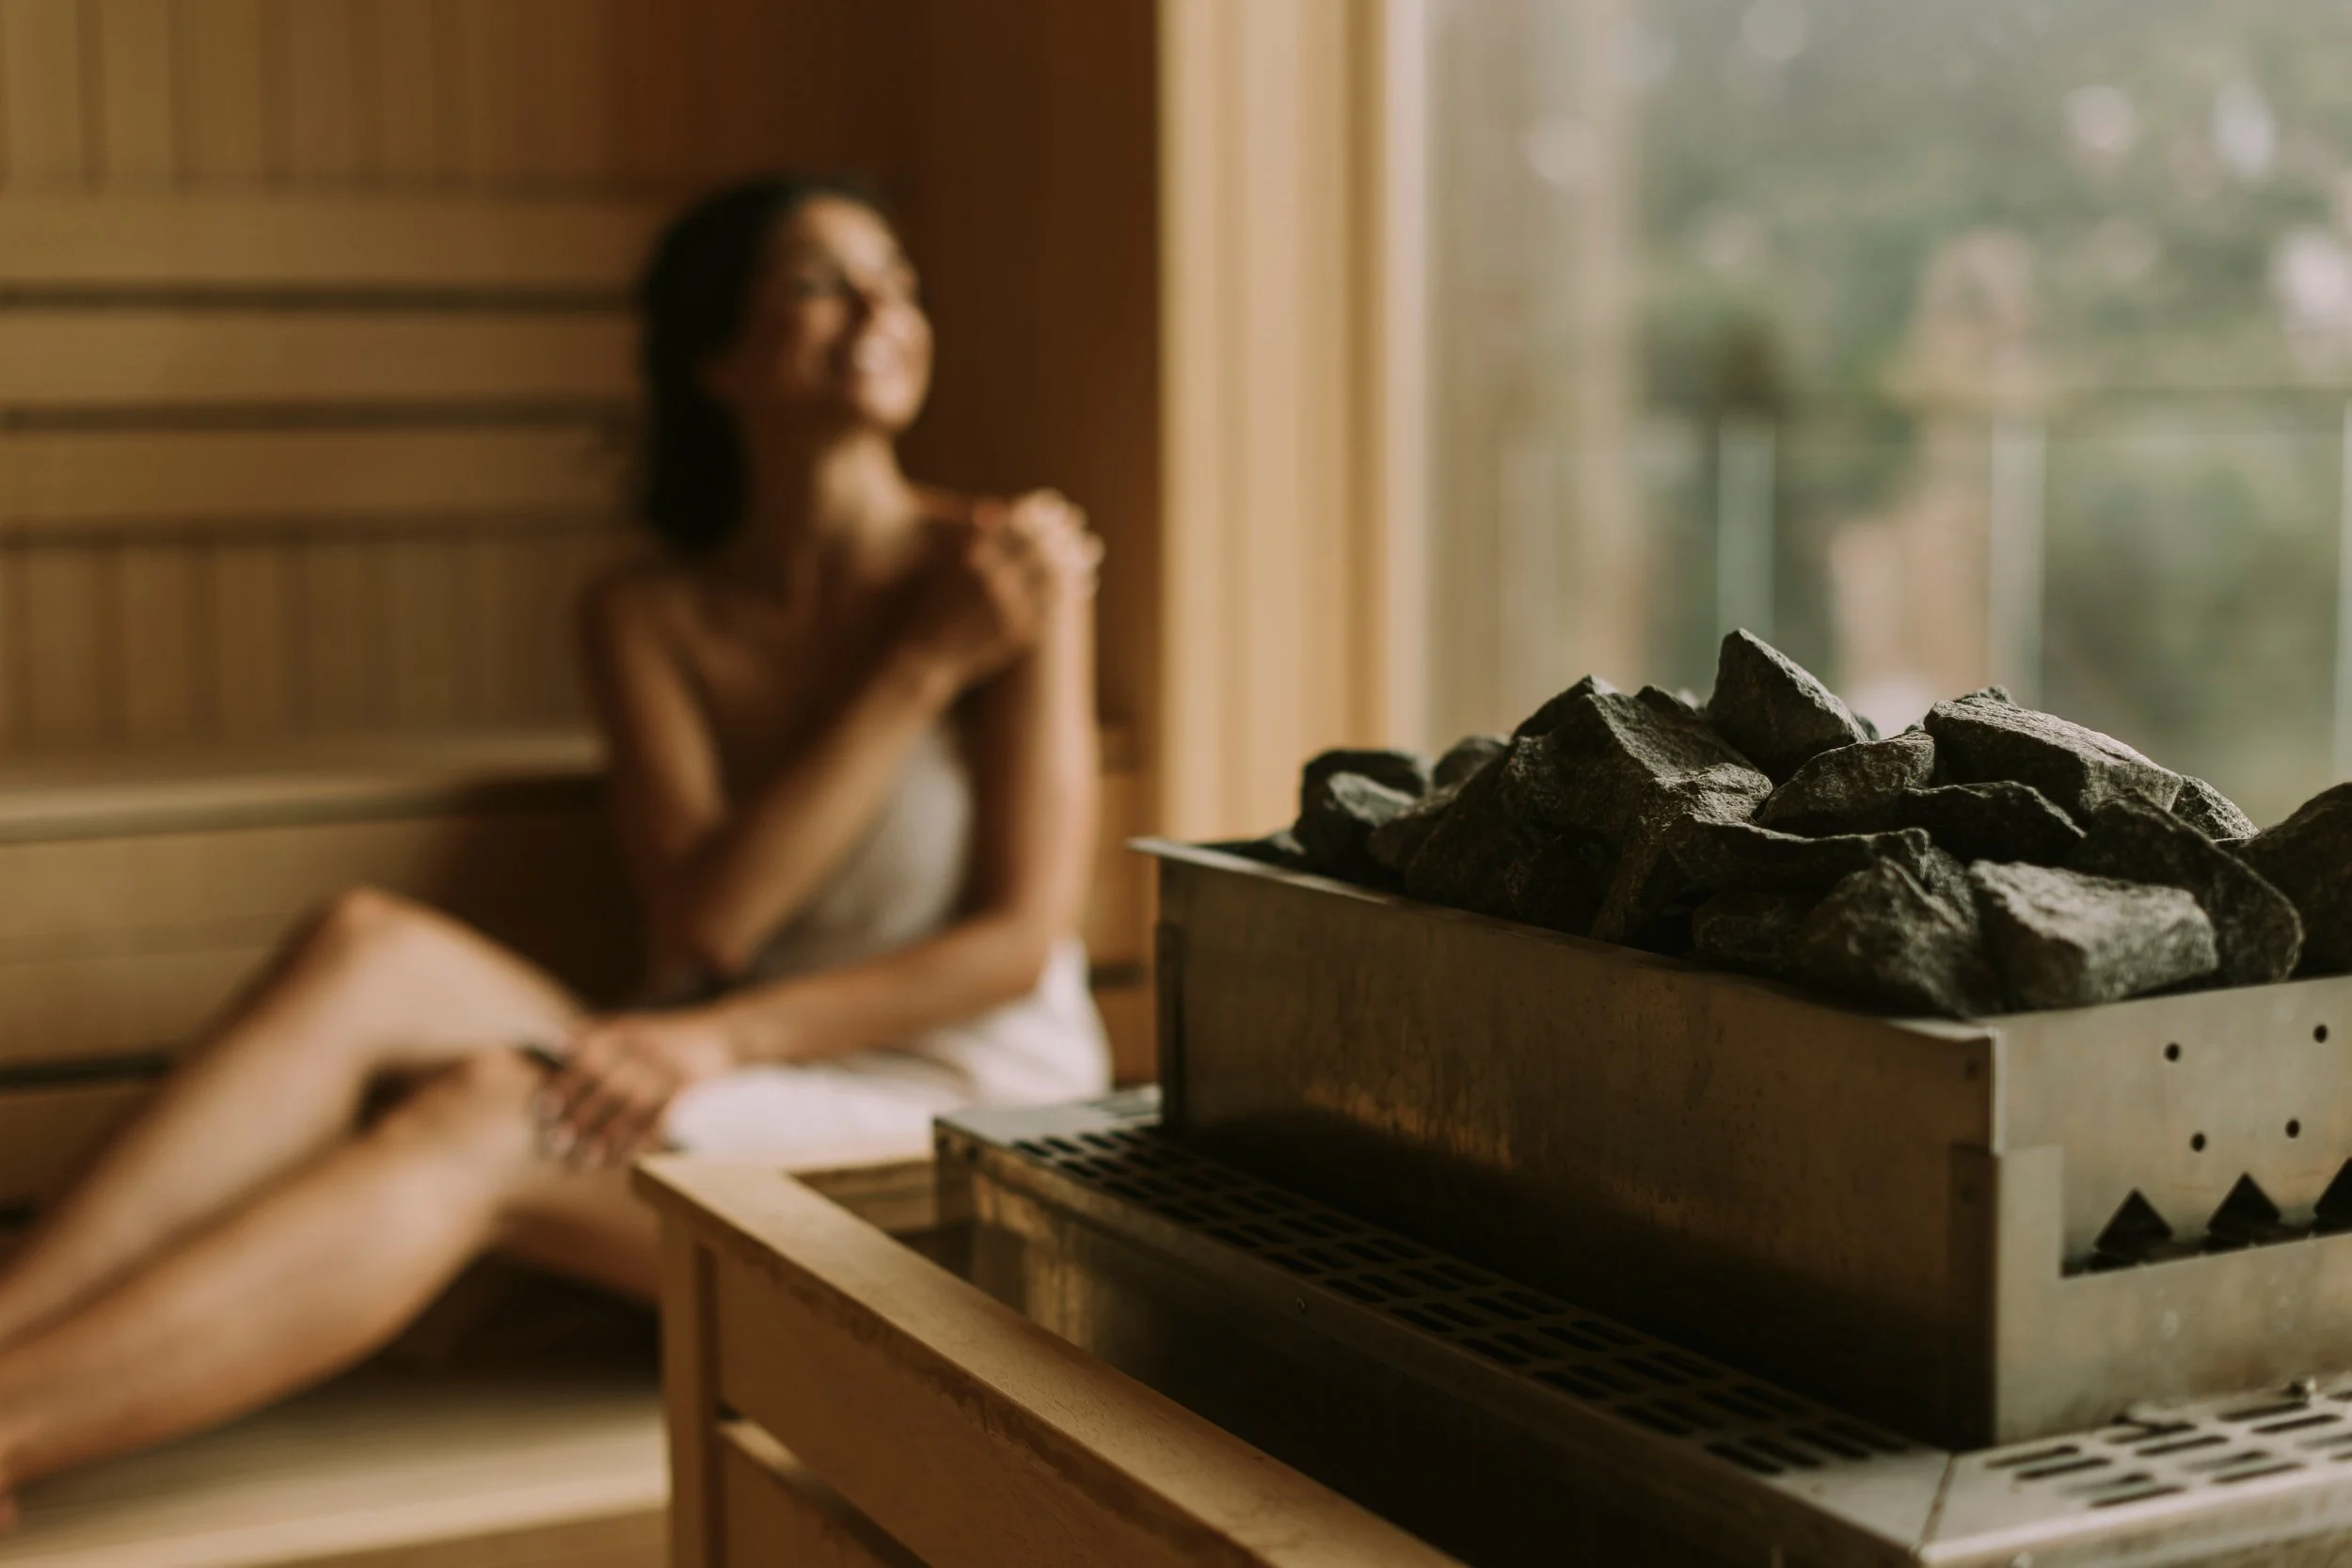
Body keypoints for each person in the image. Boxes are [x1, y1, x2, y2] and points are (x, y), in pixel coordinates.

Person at [0, 175, 1110, 1519]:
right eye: (821, 281)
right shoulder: (651, 614)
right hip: (735, 1053)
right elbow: (710, 924)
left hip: (955, 1116)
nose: (880, 308)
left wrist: (717, 1038)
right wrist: (918, 670)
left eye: (898, 278)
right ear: (717, 355)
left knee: (490, 1106)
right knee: (367, 944)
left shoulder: (1010, 572)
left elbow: (1009, 945)